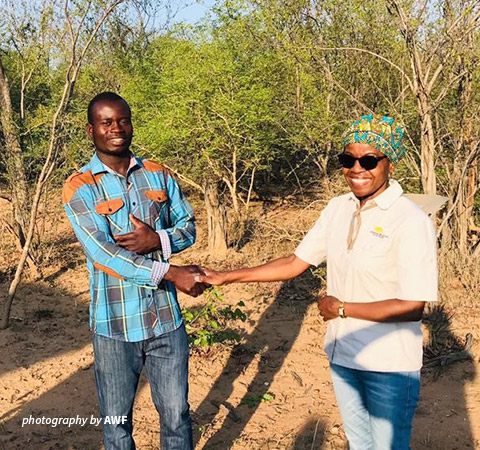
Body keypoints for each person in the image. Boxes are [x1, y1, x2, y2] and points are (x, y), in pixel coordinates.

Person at [195, 114, 438, 449]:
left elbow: (412, 306)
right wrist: (226, 277)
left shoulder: (409, 220)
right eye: (347, 159)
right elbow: (295, 262)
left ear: (389, 164)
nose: (357, 169)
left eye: (368, 160)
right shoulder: (338, 208)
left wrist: (341, 309)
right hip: (343, 357)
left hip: (389, 365)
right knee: (359, 443)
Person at [62, 92, 207, 450]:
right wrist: (171, 273)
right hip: (114, 325)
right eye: (106, 122)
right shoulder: (80, 186)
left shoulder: (157, 174)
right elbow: (104, 255)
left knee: (176, 416)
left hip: (165, 321)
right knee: (117, 425)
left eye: (123, 120)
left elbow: (188, 227)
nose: (116, 129)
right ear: (90, 129)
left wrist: (156, 238)